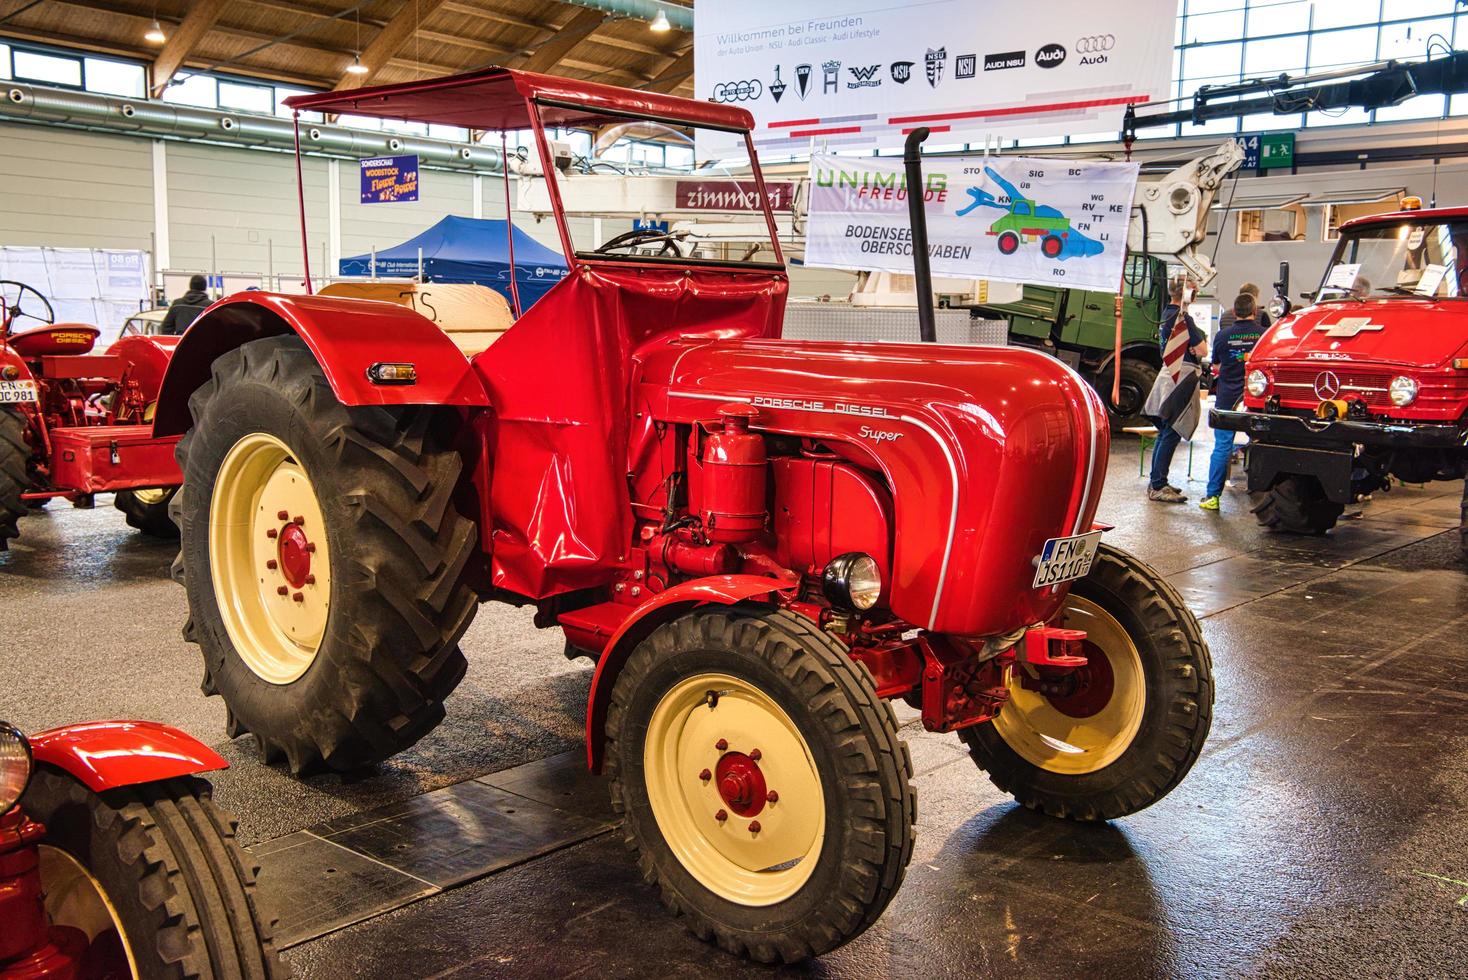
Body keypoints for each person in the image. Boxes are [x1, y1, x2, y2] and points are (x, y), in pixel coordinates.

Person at [1142, 276, 1207, 503]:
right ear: (1188, 294)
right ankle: (1158, 485)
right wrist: (1197, 344)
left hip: (1169, 375)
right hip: (1180, 378)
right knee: (1172, 432)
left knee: (1166, 432)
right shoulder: (1182, 318)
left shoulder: (1166, 314)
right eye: (1194, 290)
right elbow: (1202, 350)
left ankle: (1157, 480)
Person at [1200, 292, 1264, 511]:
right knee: (1261, 444)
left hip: (1227, 398)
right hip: (1256, 399)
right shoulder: (1264, 335)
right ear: (1255, 312)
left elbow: (1215, 364)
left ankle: (1212, 497)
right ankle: (1261, 494)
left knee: (1222, 446)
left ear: (1235, 312)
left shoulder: (1222, 335)